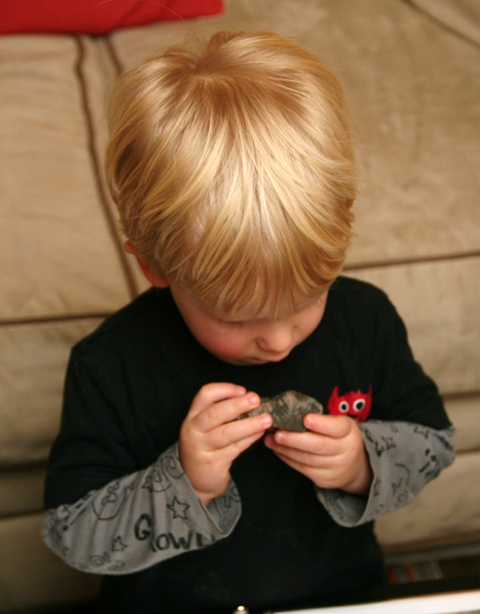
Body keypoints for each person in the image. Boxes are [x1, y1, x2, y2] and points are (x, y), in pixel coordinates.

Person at [42, 31, 455, 613]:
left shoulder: (366, 319)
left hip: (339, 596)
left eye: (310, 297)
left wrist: (363, 461)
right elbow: (71, 534)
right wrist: (185, 481)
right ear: (155, 266)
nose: (280, 341)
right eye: (237, 317)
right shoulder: (110, 365)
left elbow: (434, 440)